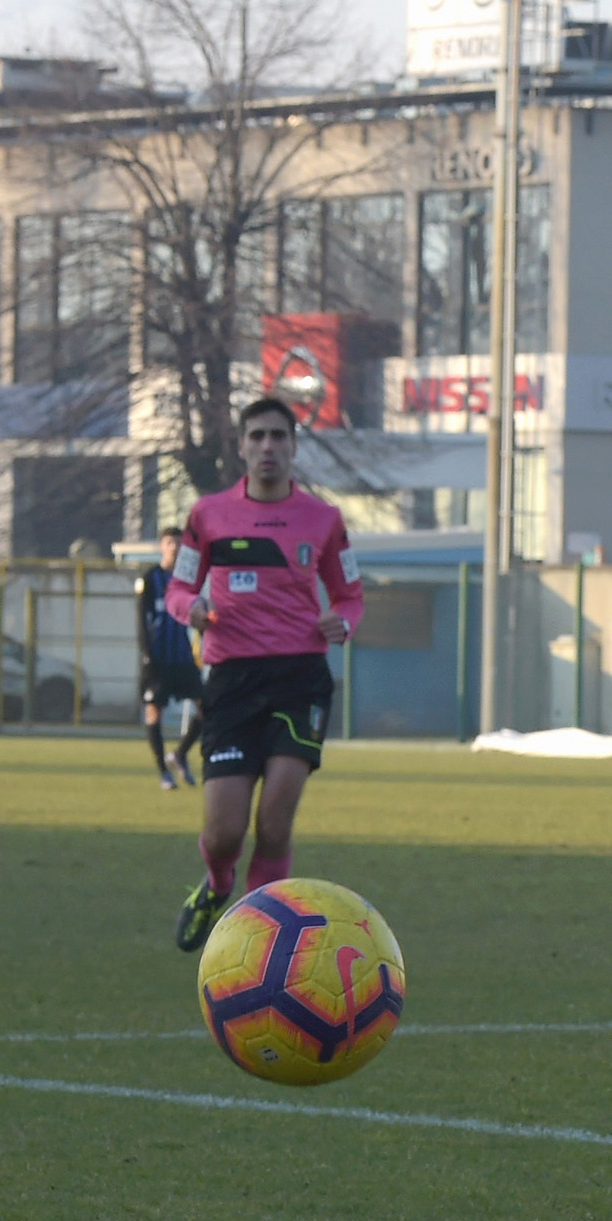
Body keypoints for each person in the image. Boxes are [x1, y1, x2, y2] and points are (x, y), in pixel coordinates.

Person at [167, 394, 363, 951]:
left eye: (279, 436)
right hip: (232, 682)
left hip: (300, 680)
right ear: (241, 447)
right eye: (257, 436)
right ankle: (217, 884)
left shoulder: (323, 519)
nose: (268, 446)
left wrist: (342, 622)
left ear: (294, 447)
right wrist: (192, 609)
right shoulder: (207, 515)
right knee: (224, 834)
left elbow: (350, 595)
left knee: (274, 824)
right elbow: (179, 588)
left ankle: (260, 935)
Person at [134, 526, 204, 790]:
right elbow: (141, 619)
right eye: (169, 543)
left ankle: (180, 753)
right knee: (154, 711)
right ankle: (164, 773)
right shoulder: (150, 579)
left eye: (178, 543)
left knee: (208, 706)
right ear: (161, 546)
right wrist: (146, 654)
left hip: (183, 657)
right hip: (158, 660)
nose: (174, 548)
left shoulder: (188, 580)